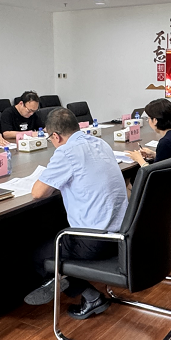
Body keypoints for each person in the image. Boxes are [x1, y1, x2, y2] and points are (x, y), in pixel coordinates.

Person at [24, 108, 129, 319]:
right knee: (56, 233)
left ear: (55, 136)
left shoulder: (66, 152)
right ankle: (58, 279)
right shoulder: (100, 143)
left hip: (95, 241)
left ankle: (89, 296)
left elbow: (38, 192)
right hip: (123, 234)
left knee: (37, 254)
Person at [127, 98, 171, 186]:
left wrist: (139, 159)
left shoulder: (166, 142)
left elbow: (154, 176)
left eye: (149, 118)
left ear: (155, 121)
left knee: (129, 181)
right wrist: (155, 154)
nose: (148, 121)